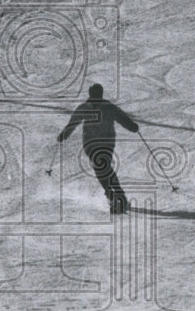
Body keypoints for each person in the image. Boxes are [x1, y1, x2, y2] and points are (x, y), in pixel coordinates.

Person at [57, 83, 139, 214]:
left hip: (101, 142)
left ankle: (114, 195)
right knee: (102, 166)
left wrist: (132, 126)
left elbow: (73, 123)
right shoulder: (103, 107)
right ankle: (116, 195)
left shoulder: (99, 107)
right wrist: (64, 134)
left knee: (102, 166)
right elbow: (122, 118)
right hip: (94, 142)